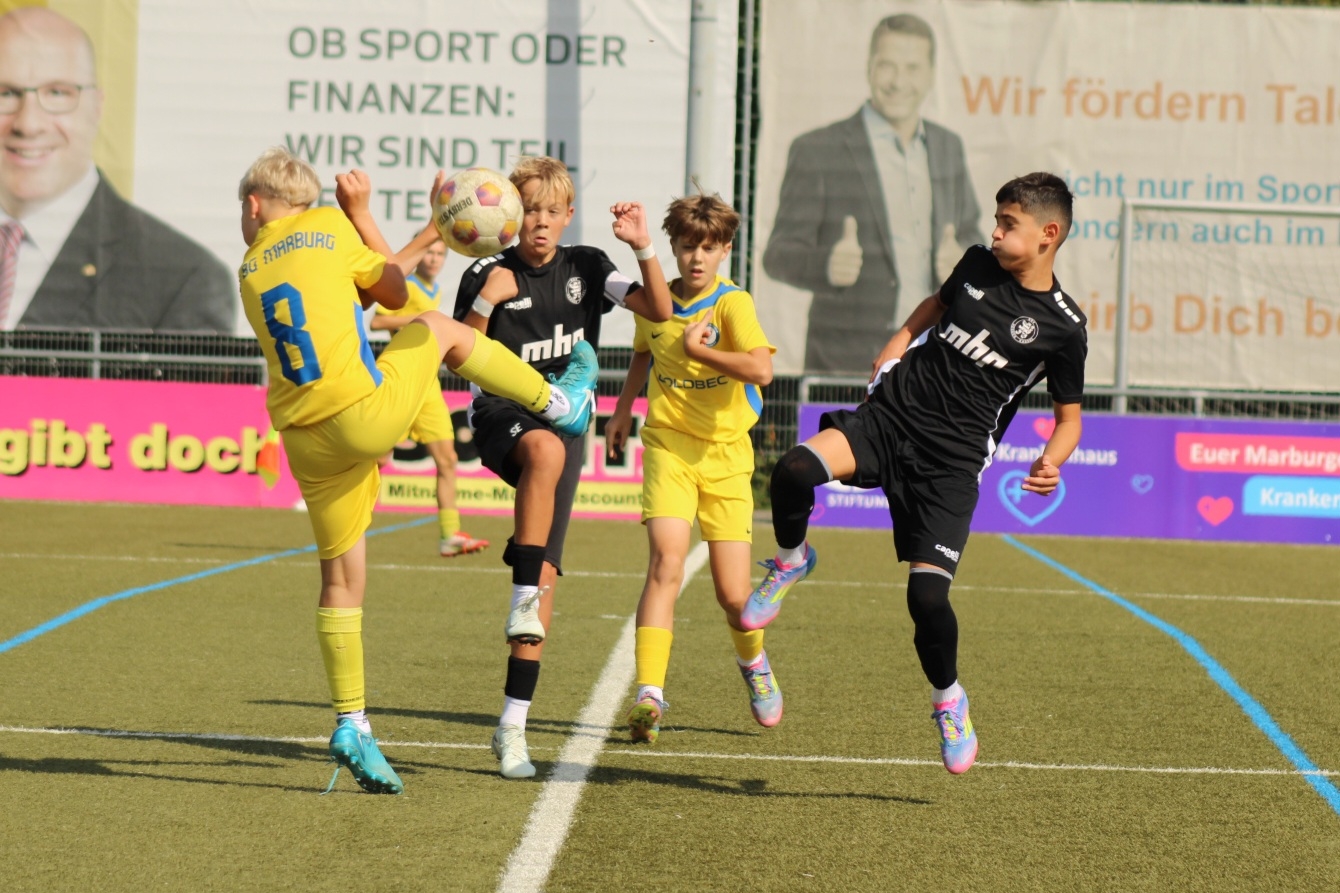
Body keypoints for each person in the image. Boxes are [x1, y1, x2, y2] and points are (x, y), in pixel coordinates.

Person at [236, 147, 598, 795]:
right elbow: (396, 294)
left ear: (255, 206)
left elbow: (355, 294)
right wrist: (412, 221)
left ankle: (352, 722)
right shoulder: (328, 228)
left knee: (340, 581)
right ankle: (556, 402)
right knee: (439, 326)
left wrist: (422, 234)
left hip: (306, 440)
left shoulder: (250, 268)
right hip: (360, 415)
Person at [743, 173, 1086, 775]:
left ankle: (949, 699)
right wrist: (899, 340)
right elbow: (937, 305)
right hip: (891, 417)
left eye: (1008, 224)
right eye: (997, 220)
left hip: (952, 463)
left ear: (1047, 234)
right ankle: (792, 561)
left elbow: (1069, 419)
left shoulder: (1064, 326)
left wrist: (1051, 461)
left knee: (927, 599)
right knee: (793, 470)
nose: (995, 232)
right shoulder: (977, 264)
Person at [453, 155, 672, 779]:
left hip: (567, 425)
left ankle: (511, 728)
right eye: (530, 211)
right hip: (503, 416)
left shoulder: (587, 266)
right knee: (544, 453)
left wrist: (643, 246)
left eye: (553, 211)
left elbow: (659, 311)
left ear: (569, 215)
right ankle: (523, 595)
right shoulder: (487, 272)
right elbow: (457, 355)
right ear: (511, 215)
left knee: (545, 577)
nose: (541, 222)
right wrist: (485, 304)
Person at [605, 192, 776, 744]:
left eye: (708, 247)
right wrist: (623, 411)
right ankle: (649, 695)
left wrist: (702, 354)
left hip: (726, 456)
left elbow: (761, 371)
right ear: (674, 247)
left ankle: (754, 664)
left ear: (725, 250)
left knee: (735, 598)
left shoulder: (733, 304)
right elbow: (643, 351)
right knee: (666, 563)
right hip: (669, 448)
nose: (696, 257)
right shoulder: (654, 299)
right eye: (686, 246)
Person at [762, 13, 983, 373]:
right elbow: (778, 255)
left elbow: (973, 233)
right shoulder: (818, 149)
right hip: (845, 359)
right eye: (887, 66)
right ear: (869, 68)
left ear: (930, 75)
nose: (898, 82)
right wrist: (826, 265)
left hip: (932, 353)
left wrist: (961, 257)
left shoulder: (948, 147)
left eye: (912, 68)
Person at [0, 7, 234, 332]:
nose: (28, 124)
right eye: (6, 93)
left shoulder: (184, 281)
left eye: (57, 93)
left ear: (97, 107)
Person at [371, 239, 488, 558]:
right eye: (430, 253)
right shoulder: (406, 287)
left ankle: (449, 535)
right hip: (401, 382)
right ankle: (344, 515)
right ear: (420, 256)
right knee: (378, 459)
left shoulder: (433, 291)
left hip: (428, 386)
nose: (434, 259)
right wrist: (425, 320)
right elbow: (377, 321)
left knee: (447, 459)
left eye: (440, 254)